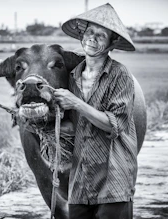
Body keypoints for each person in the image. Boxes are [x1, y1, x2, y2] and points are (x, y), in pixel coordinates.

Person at [54, 3, 138, 219]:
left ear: (112, 44)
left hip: (114, 181)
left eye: (101, 35)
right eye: (89, 32)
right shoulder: (72, 77)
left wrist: (76, 102)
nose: (92, 38)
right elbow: (73, 125)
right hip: (80, 183)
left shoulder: (121, 75)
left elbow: (114, 125)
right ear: (82, 35)